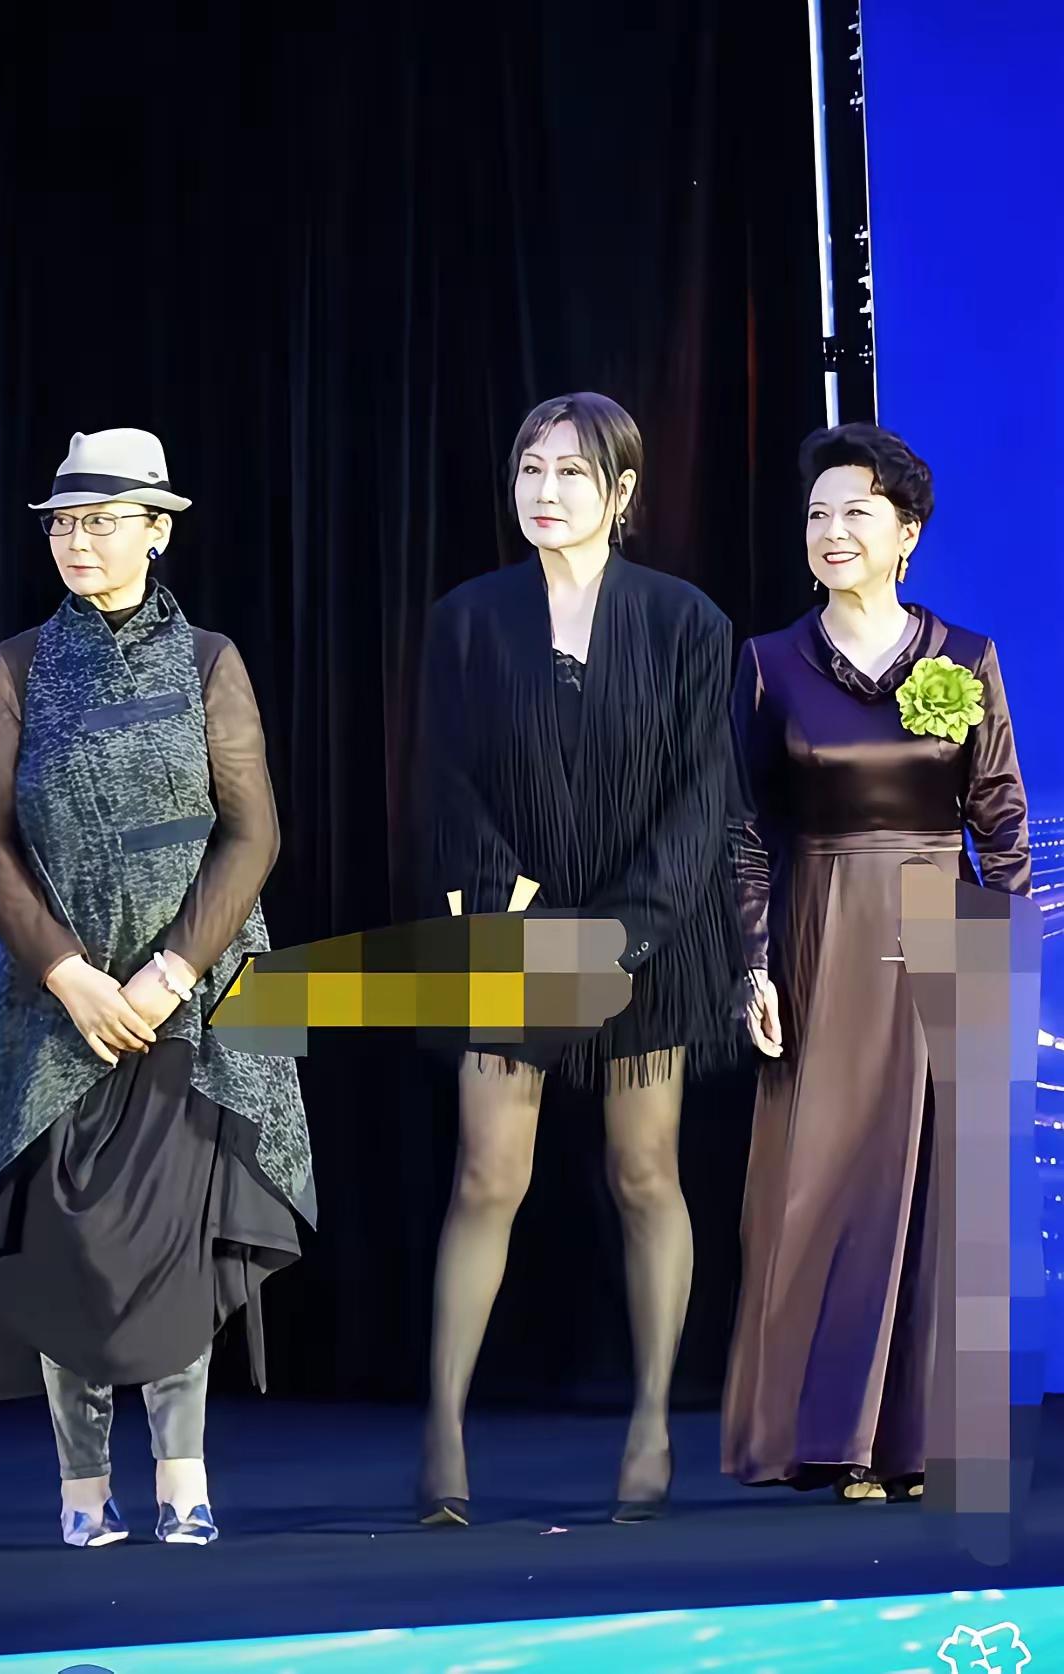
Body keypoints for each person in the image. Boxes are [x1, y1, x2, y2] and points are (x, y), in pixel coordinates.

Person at [416, 391, 744, 1525]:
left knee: (645, 1175)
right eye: (530, 470)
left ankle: (652, 1424)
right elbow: (446, 787)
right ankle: (442, 1434)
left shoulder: (687, 622)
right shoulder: (468, 619)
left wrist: (624, 935)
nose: (545, 492)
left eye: (571, 473)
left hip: (648, 939)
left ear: (624, 492)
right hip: (509, 935)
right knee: (486, 1176)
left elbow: (705, 798)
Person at [0, 429, 314, 1546]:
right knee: (67, 1249)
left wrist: (173, 970)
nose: (77, 539)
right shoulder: (15, 668)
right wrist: (69, 974)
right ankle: (82, 1493)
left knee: (172, 1244)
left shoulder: (210, 662)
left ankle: (184, 1482)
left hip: (193, 1003)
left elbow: (253, 832)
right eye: (64, 523)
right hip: (55, 1009)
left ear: (157, 532)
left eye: (102, 520)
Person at [721, 422, 1030, 1502]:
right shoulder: (768, 664)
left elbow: (1002, 823)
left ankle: (917, 1444)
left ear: (908, 533)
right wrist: (755, 965)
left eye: (857, 510)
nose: (832, 530)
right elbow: (744, 828)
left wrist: (1002, 955)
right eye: (817, 514)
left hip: (941, 928)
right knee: (822, 1183)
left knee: (937, 1184)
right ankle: (824, 1437)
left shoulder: (965, 659)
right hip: (823, 928)